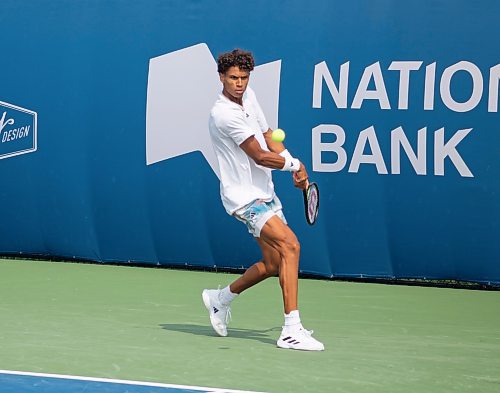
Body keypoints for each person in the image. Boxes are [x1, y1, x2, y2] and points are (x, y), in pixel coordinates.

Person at [202, 49, 324, 351]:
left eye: (243, 78)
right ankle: (291, 330)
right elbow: (258, 154)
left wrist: (292, 162)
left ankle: (220, 299)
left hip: (265, 193)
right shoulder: (223, 114)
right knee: (291, 246)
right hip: (244, 200)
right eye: (232, 78)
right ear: (221, 78)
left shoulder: (250, 97)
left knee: (272, 263)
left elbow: (270, 137)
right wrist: (295, 166)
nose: (239, 83)